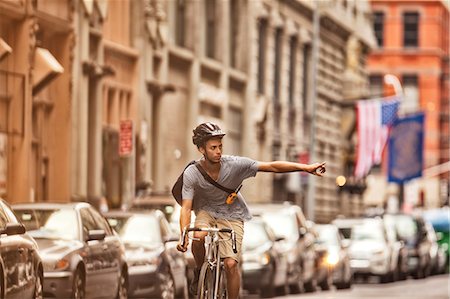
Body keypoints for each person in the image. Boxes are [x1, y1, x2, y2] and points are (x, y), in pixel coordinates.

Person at [176, 122, 326, 299]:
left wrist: (305, 168)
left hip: (232, 213)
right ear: (201, 149)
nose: (218, 151)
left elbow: (271, 166)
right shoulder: (192, 173)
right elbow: (186, 208)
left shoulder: (235, 165)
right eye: (213, 147)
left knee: (231, 264)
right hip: (206, 210)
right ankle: (200, 269)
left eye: (220, 147)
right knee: (198, 236)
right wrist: (183, 235)